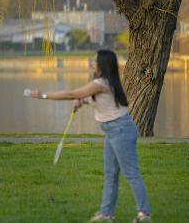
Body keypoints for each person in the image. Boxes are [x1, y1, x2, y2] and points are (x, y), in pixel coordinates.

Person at [27, 49, 151, 222]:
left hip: (121, 130)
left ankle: (144, 214)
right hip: (113, 131)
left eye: (95, 60)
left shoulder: (101, 83)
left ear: (102, 65)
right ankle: (106, 214)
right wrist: (82, 101)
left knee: (131, 173)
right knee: (110, 174)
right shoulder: (105, 83)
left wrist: (42, 95)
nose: (92, 63)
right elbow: (93, 98)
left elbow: (71, 94)